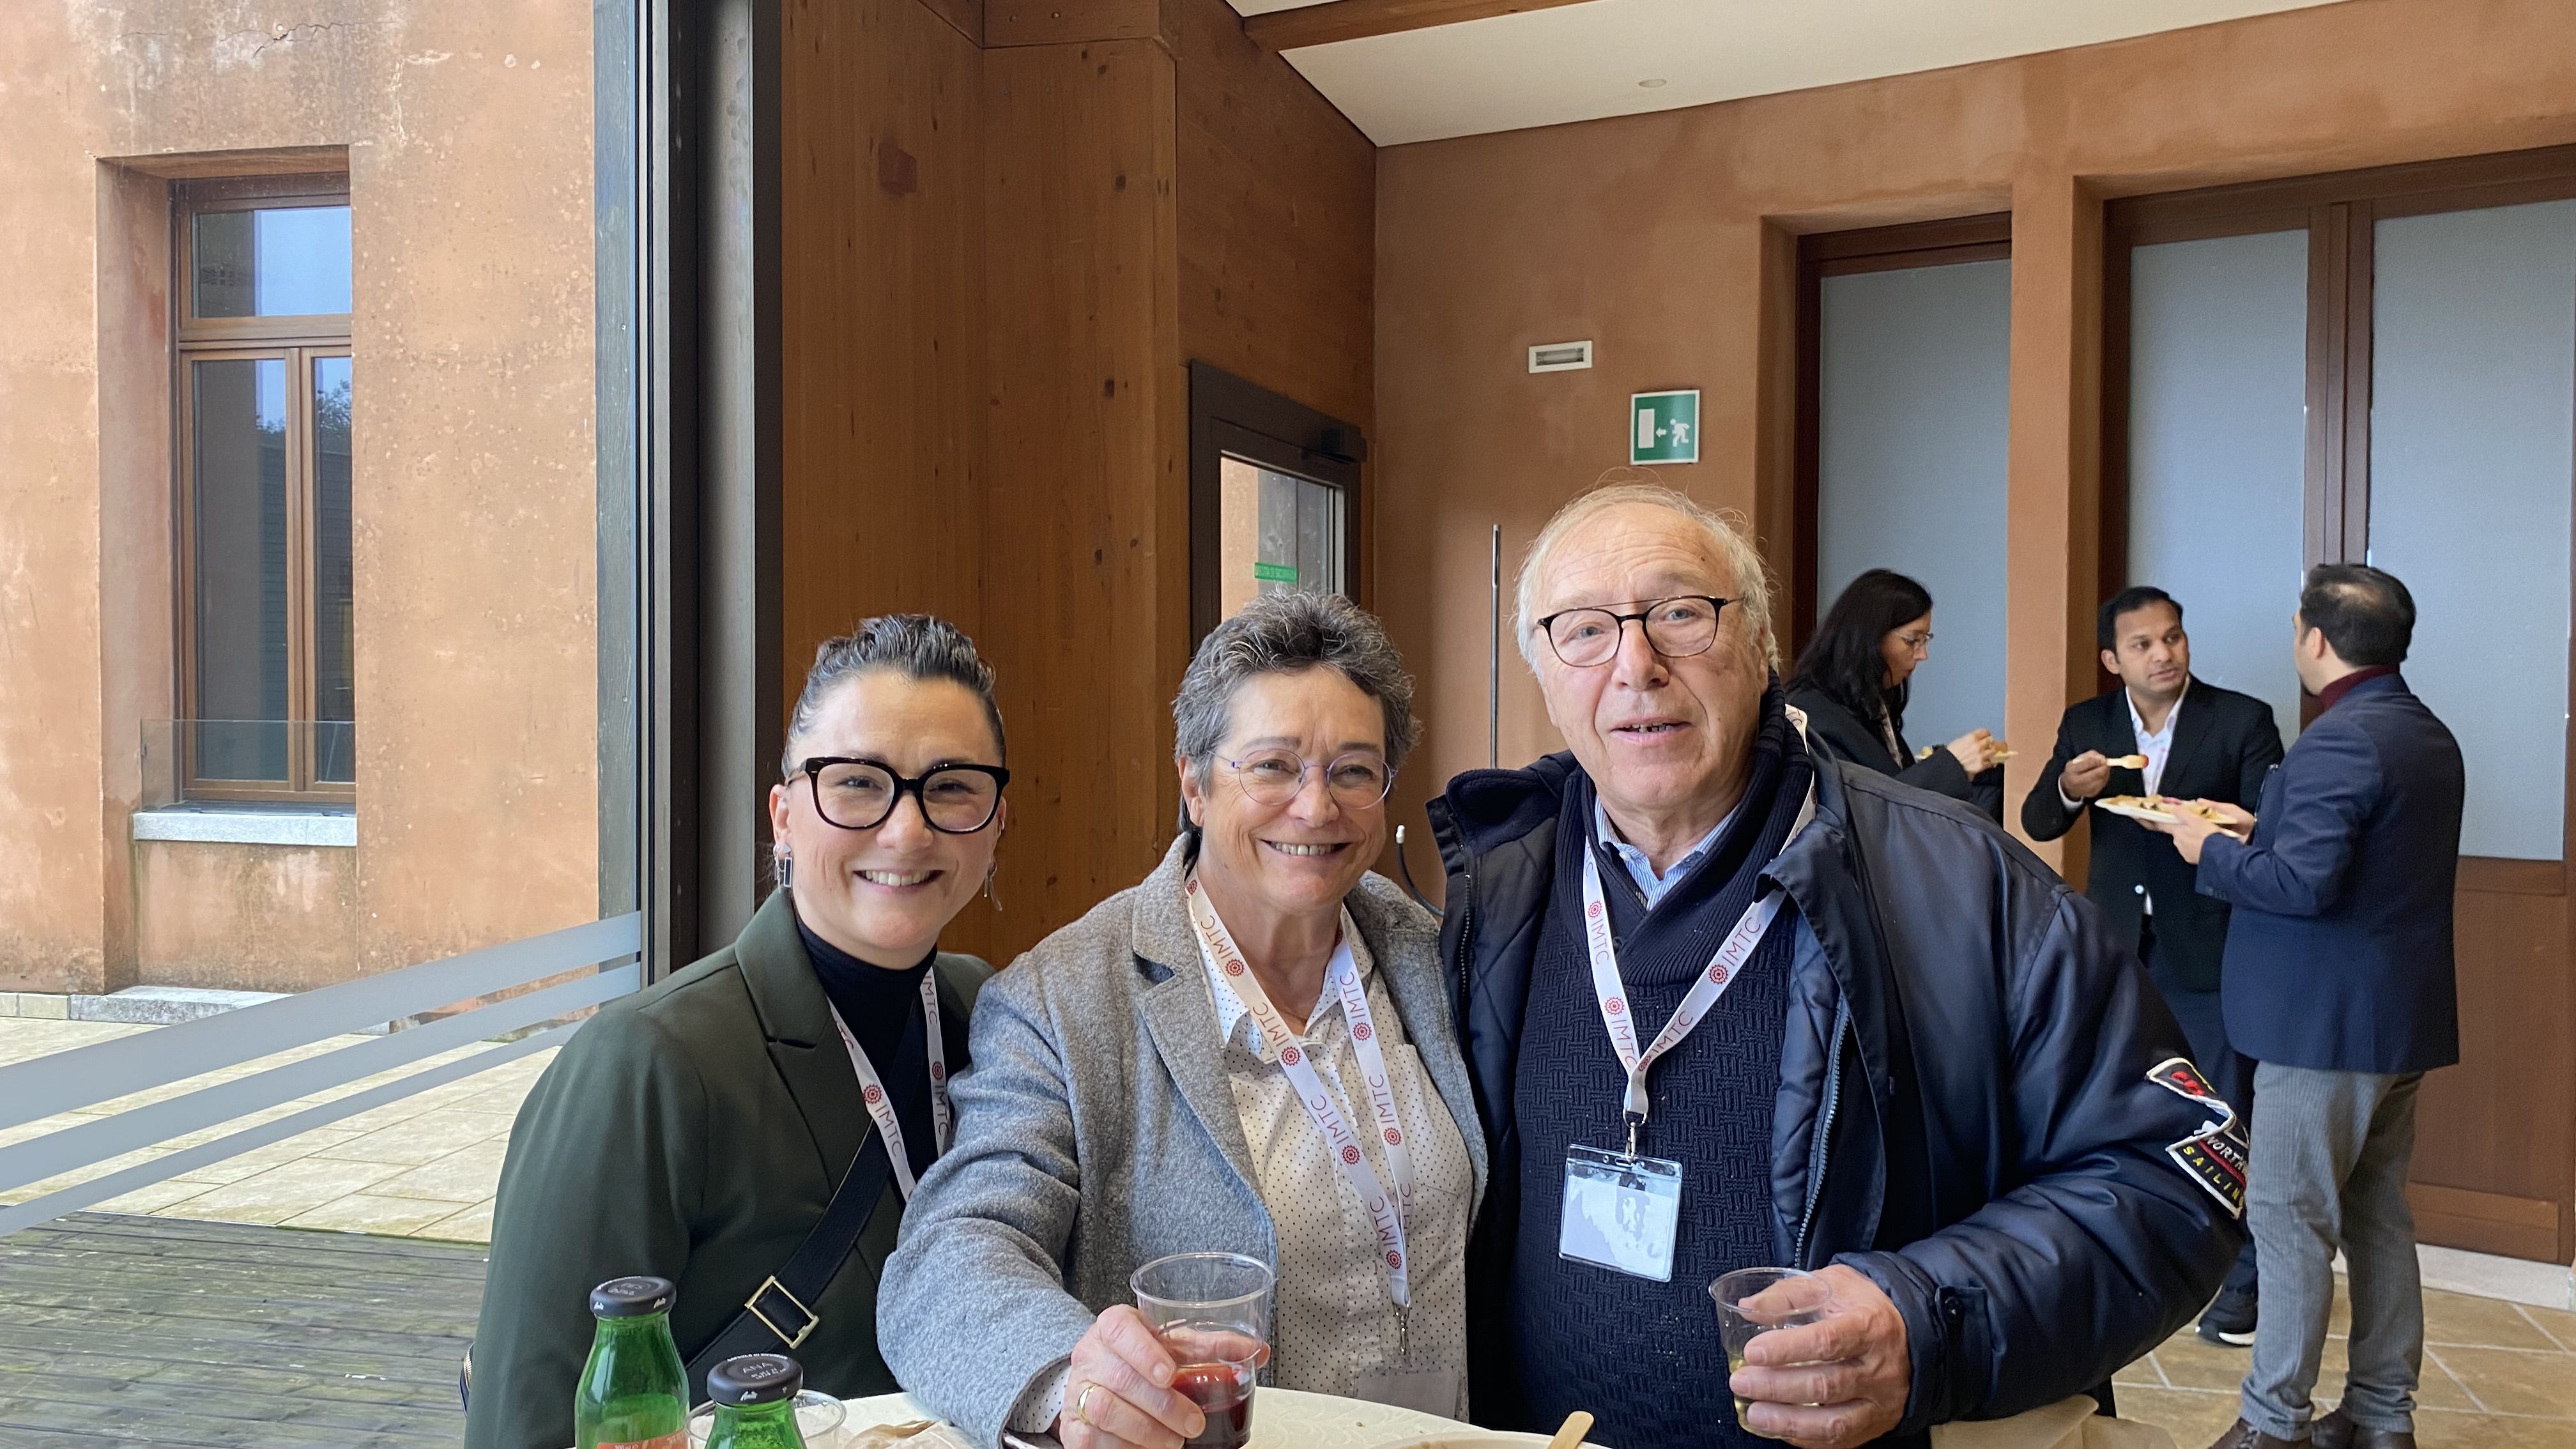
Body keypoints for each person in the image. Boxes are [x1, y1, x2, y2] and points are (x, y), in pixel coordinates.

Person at [1430, 484, 2244, 1449]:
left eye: (1681, 615)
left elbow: (2178, 1173)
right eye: (1583, 631)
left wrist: (1927, 1320)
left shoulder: (1962, 886)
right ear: (1542, 670)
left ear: (1762, 646)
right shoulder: (1498, 889)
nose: (1636, 666)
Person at [880, 591, 1484, 1449]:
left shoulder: (1434, 956)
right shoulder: (1064, 1000)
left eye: (1353, 771)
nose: (1316, 808)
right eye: (1272, 766)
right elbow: (950, 1257)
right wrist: (1072, 1380)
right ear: (1195, 785)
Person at [464, 616, 1009, 1449]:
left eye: (951, 787)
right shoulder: (644, 1065)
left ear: (998, 822)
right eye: (857, 783)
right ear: (784, 816)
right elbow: (525, 1424)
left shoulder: (991, 1014)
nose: (907, 830)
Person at [2139, 565, 2463, 1449]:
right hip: (2394, 1020)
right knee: (2377, 1219)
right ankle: (2381, 1416)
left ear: (2315, 638)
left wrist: (2206, 847)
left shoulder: (2337, 741)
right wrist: (2257, 829)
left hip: (2322, 1028)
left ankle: (2272, 1422)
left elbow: (2304, 887)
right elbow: (2360, 859)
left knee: (2288, 1219)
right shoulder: (2422, 731)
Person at [2022, 585, 2284, 1346]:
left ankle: (2244, 1282)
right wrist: (2070, 787)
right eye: (2143, 645)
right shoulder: (2089, 724)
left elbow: (2273, 830)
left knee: (2224, 1111)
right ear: (2113, 660)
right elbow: (2040, 819)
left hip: (2211, 945)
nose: (2164, 654)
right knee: (2125, 1104)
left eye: (2173, 638)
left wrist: (2221, 826)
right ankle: (2143, 1254)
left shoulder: (2242, 720)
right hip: (2116, 948)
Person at [1786, 567, 2005, 822]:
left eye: (1925, 640)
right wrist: (1951, 766)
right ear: (1870, 638)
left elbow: (1893, 787)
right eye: (1912, 641)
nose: (1923, 655)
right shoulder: (1811, 714)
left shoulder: (1870, 703)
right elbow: (1862, 814)